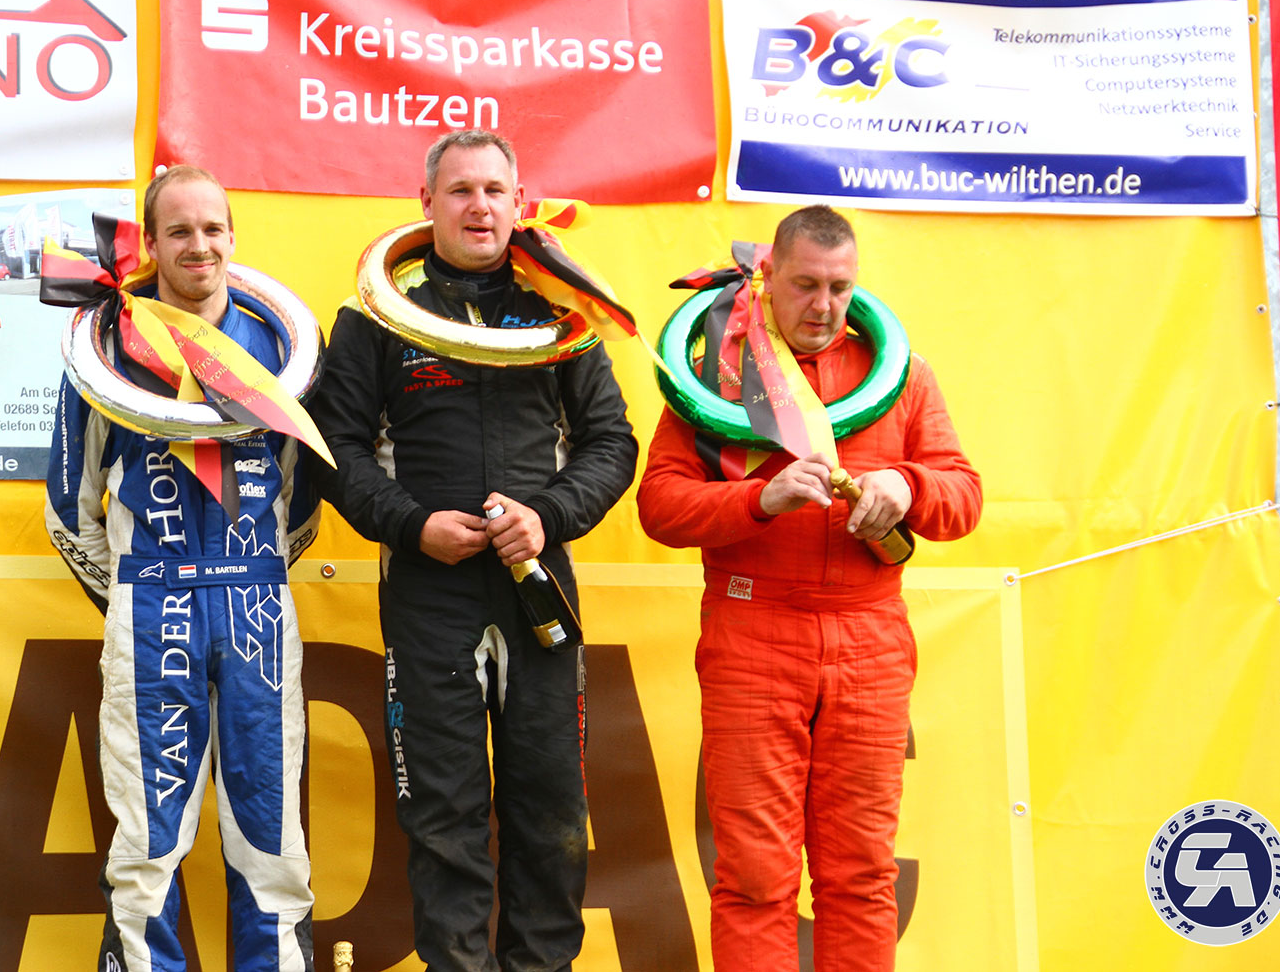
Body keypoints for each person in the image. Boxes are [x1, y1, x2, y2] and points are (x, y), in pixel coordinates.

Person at [308, 130, 638, 972]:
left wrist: (549, 516)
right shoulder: (376, 313)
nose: (479, 206)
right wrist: (410, 524)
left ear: (519, 203)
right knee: (443, 819)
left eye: (495, 190)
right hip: (430, 591)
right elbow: (333, 448)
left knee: (552, 812)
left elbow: (611, 442)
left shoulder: (562, 311)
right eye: (460, 190)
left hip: (537, 587)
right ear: (426, 204)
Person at [636, 205, 981, 972]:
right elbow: (659, 506)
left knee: (862, 873)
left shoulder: (903, 373)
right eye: (806, 285)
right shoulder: (717, 377)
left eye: (840, 287)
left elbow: (964, 497)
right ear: (769, 276)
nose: (824, 306)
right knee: (754, 876)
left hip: (869, 637)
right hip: (753, 633)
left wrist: (909, 483)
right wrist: (757, 499)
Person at [45, 165, 318, 972]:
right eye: (179, 231)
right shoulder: (107, 344)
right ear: (154, 245)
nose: (199, 245)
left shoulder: (281, 341)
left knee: (272, 839)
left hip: (256, 608)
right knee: (147, 842)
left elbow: (302, 499)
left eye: (212, 228)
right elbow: (68, 507)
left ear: (233, 235)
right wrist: (132, 591)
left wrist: (252, 572)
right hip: (150, 606)